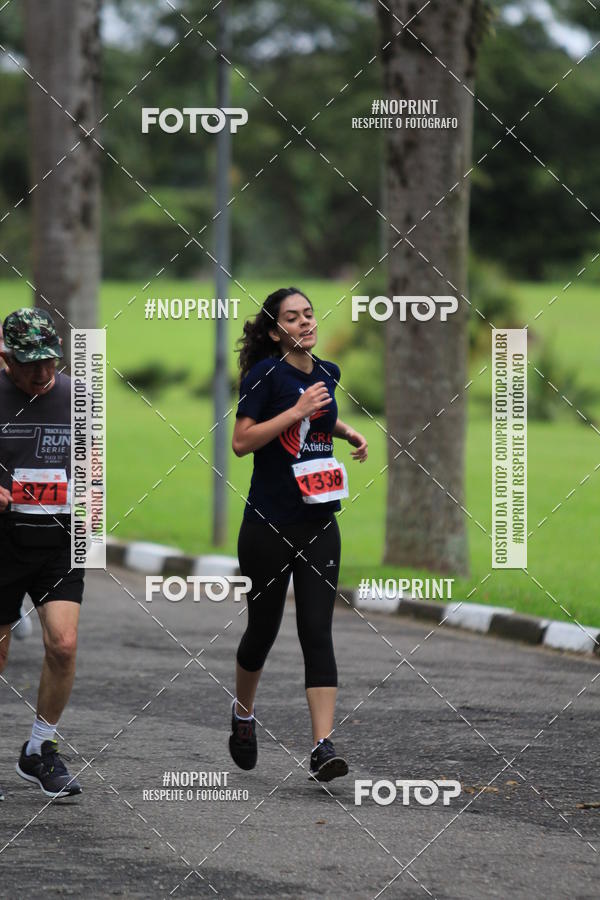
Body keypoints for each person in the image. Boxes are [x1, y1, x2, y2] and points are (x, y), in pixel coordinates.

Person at [229, 287, 368, 782]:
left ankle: (322, 747)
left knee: (317, 630)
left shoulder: (328, 372)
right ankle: (244, 716)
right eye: (293, 317)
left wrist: (345, 431)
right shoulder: (263, 375)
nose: (306, 321)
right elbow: (242, 441)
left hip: (319, 520)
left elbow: (315, 425)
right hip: (268, 523)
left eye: (309, 313)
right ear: (274, 331)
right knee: (261, 631)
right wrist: (296, 410)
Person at [0, 308, 84, 800]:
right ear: (6, 359)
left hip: (59, 540)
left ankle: (39, 751)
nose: (41, 373)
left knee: (64, 644)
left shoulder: (77, 397)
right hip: (3, 541)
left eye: (49, 361)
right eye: (29, 364)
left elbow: (92, 469)